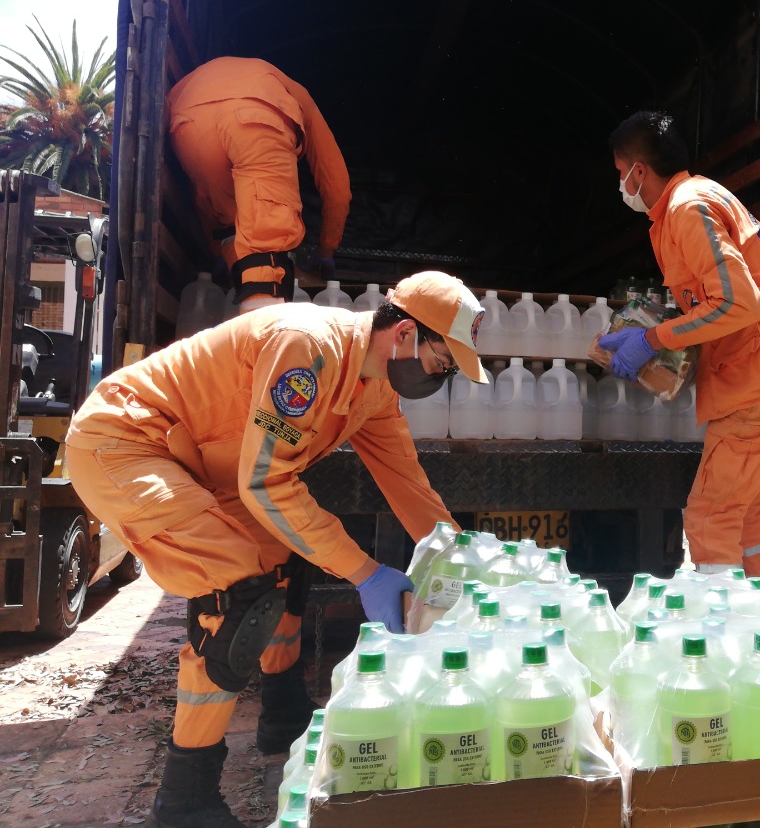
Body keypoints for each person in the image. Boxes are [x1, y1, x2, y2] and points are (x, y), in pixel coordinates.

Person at [64, 271, 488, 828]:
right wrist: (365, 572)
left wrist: (463, 556)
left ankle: (283, 710)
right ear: (405, 334)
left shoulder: (375, 388)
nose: (445, 374)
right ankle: (185, 795)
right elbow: (266, 482)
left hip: (208, 466)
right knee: (238, 588)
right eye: (444, 360)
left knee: (284, 560)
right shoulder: (308, 350)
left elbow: (405, 481)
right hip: (127, 443)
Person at [600, 110, 760, 585]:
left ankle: (720, 636)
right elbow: (716, 301)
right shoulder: (689, 201)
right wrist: (656, 336)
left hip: (759, 372)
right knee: (742, 512)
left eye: (621, 174)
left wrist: (653, 339)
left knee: (708, 513)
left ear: (639, 170)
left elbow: (739, 303)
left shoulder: (686, 208)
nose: (620, 185)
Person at [166, 56, 352, 313]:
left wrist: (217, 252)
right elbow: (337, 187)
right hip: (256, 117)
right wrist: (326, 249)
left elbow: (204, 201)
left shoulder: (227, 74)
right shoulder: (297, 95)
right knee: (265, 243)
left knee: (231, 218)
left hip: (186, 123)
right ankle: (259, 341)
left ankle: (238, 309)